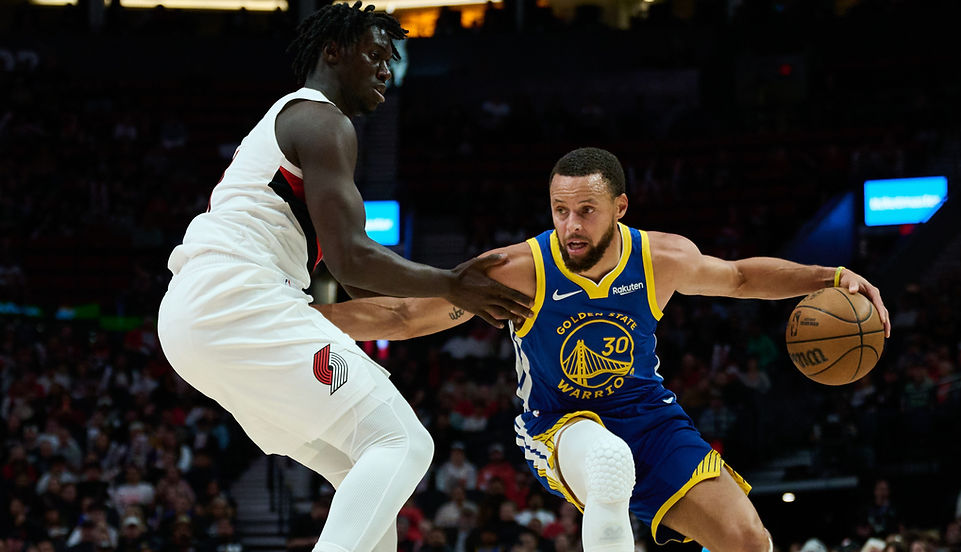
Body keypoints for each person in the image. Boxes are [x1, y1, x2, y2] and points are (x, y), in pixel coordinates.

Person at [313, 147, 892, 552]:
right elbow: (405, 315)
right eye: (560, 211)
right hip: (561, 427)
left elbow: (740, 278)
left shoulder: (660, 257)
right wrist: (304, 318)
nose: (571, 226)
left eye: (586, 211)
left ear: (620, 208)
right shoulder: (517, 270)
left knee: (749, 541)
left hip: (649, 417)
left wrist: (830, 276)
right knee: (609, 466)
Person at [156, 3, 532, 552]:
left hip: (199, 319)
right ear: (333, 52)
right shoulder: (321, 118)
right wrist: (453, 284)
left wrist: (456, 300)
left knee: (365, 464)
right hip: (237, 299)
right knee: (406, 443)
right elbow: (353, 260)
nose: (387, 69)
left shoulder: (296, 124)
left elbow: (363, 289)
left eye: (392, 60)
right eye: (375, 55)